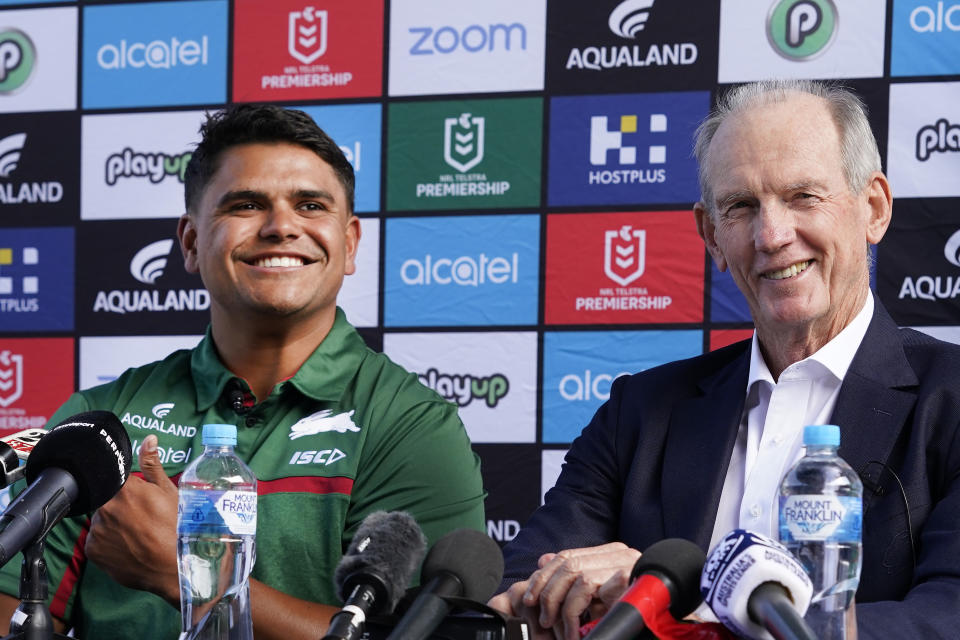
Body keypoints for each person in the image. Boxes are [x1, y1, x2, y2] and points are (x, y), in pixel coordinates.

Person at [490, 79, 960, 639]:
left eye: (803, 196)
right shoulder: (640, 411)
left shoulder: (949, 399)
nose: (772, 234)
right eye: (741, 207)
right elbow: (527, 586)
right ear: (711, 236)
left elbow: (946, 615)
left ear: (874, 209)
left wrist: (674, 605)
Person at [0, 105, 486, 639]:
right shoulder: (99, 422)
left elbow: (427, 635)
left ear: (348, 244)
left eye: (310, 205)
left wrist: (186, 573)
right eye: (247, 204)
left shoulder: (412, 427)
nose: (281, 227)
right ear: (189, 242)